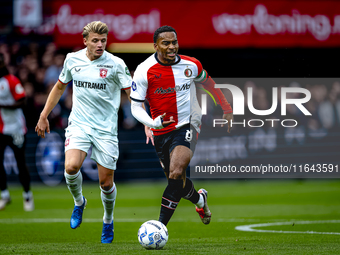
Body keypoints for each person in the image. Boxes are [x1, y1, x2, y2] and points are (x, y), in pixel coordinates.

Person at [35, 21, 132, 243]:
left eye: (103, 41)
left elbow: (132, 93)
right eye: (95, 40)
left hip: (106, 129)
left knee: (105, 183)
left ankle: (108, 220)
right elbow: (60, 87)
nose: (100, 45)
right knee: (70, 168)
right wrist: (43, 115)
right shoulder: (72, 60)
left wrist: (147, 120)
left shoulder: (117, 64)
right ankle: (80, 203)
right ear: (85, 41)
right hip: (79, 124)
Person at [130, 26, 233, 226]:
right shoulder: (144, 70)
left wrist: (226, 108)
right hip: (160, 129)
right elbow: (135, 106)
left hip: (188, 123)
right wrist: (151, 123)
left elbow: (209, 83)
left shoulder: (191, 64)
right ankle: (200, 200)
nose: (171, 47)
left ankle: (159, 227)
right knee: (177, 183)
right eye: (166, 43)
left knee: (176, 171)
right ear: (155, 45)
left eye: (174, 42)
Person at [0, 53, 34, 211]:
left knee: (20, 162)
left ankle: (27, 195)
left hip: (16, 128)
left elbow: (22, 101)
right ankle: (5, 195)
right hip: (1, 129)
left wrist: (3, 106)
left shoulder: (12, 81)